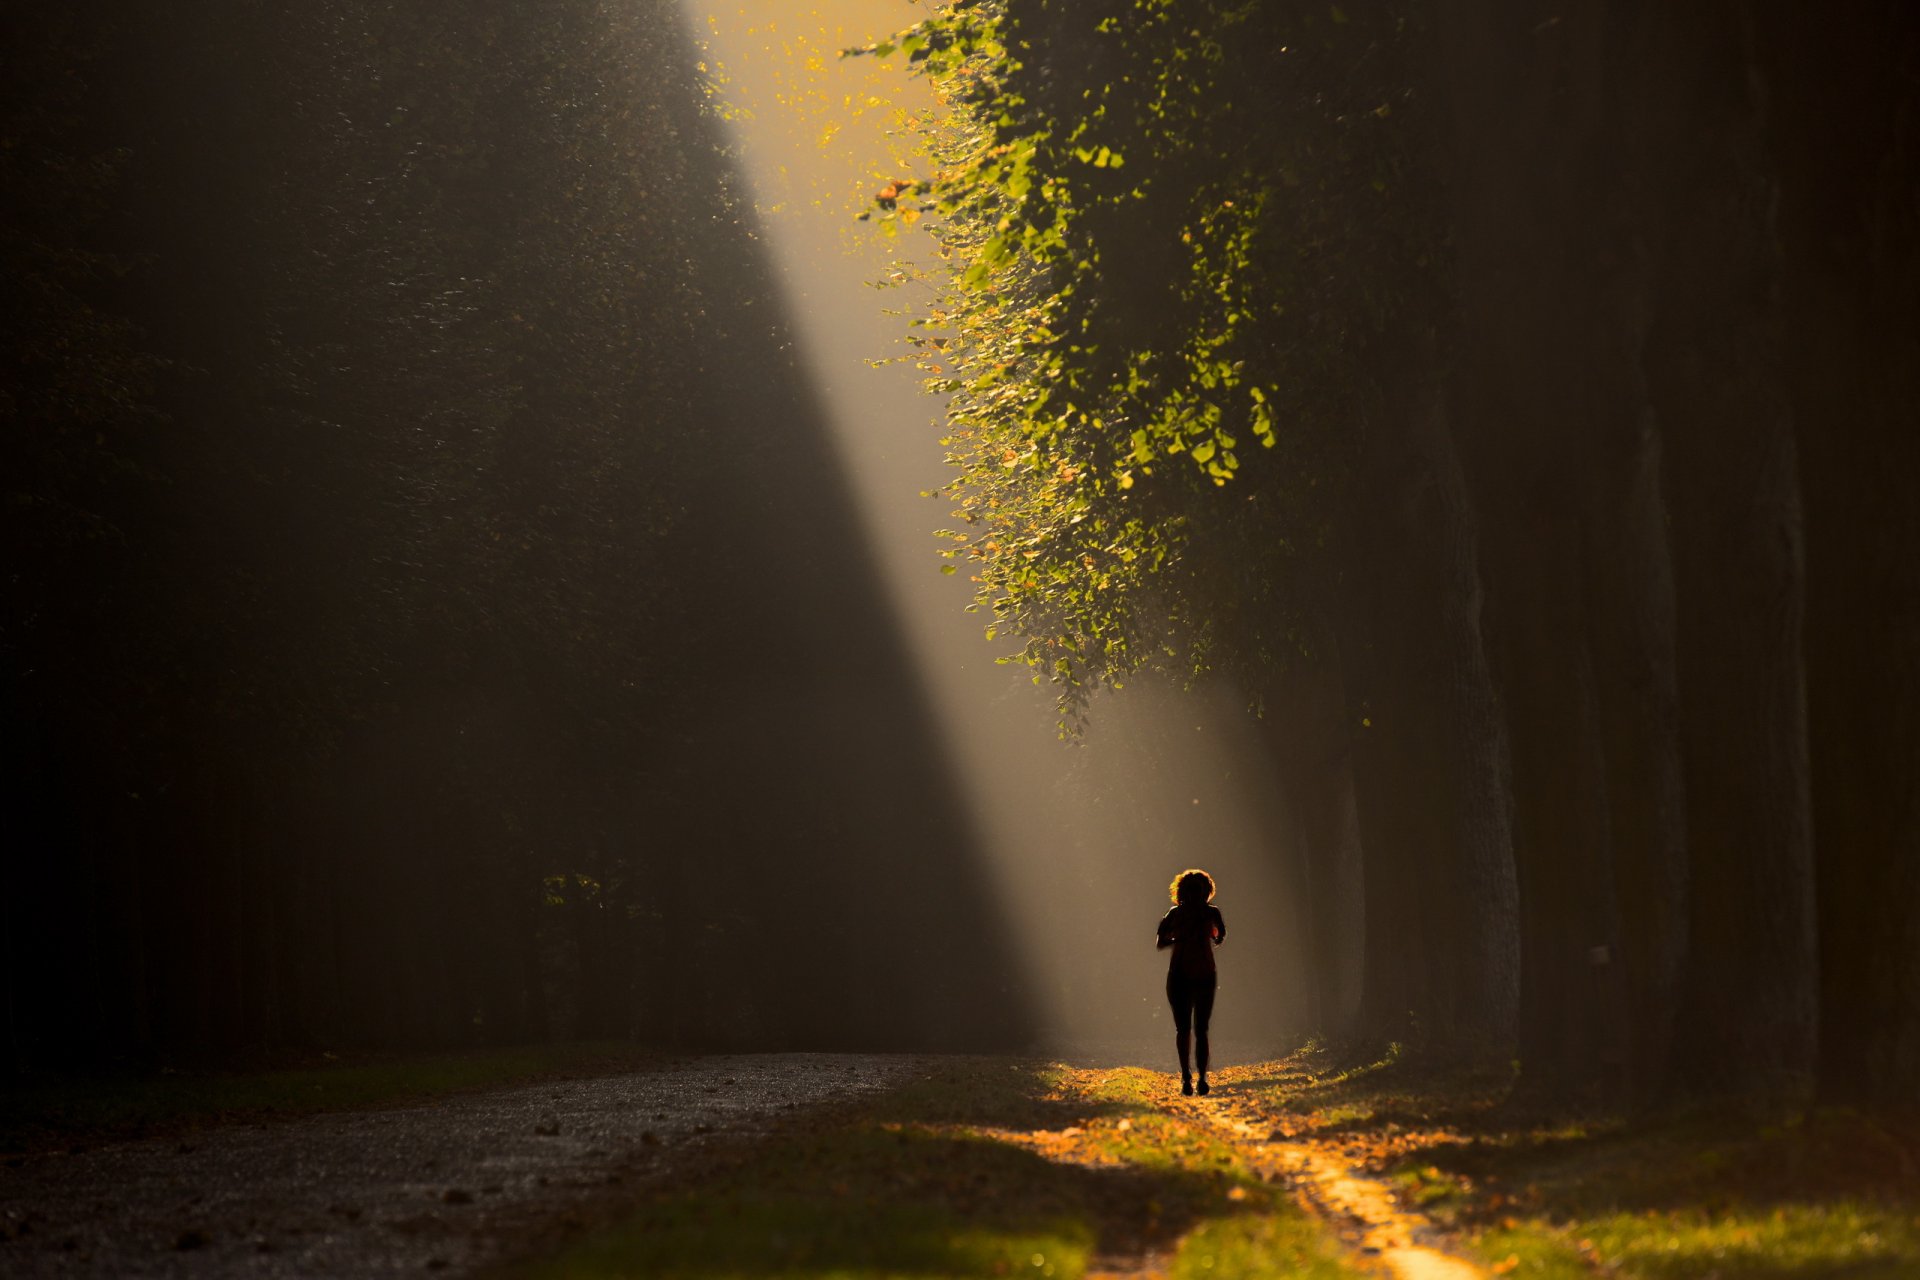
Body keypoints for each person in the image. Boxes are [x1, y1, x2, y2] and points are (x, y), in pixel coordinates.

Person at [1156, 867, 1226, 1096]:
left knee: (1183, 1029)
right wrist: (1206, 936)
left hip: (1179, 975)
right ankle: (1201, 1078)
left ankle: (1187, 1077)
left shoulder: (1174, 914)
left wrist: (1179, 938)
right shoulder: (1211, 913)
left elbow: (1160, 942)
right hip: (1204, 974)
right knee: (1201, 1029)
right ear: (1207, 891)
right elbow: (1221, 937)